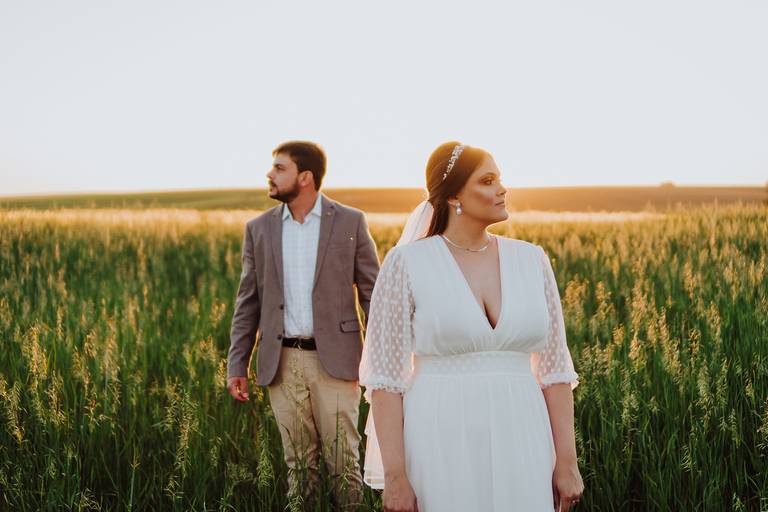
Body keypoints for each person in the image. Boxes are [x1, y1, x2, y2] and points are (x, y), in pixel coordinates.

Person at [358, 142, 584, 511]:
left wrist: (567, 463)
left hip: (523, 430)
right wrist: (396, 478)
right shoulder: (407, 264)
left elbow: (555, 372)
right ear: (454, 196)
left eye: (500, 179)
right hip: (439, 433)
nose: (502, 189)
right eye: (488, 180)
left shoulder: (532, 260)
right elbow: (385, 382)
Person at [227, 141, 380, 509]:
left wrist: (378, 361)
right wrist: (238, 363)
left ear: (305, 177)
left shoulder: (349, 221)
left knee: (344, 463)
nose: (270, 174)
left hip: (337, 362)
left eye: (280, 168)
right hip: (281, 364)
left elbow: (372, 294)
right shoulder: (259, 229)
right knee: (299, 466)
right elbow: (248, 301)